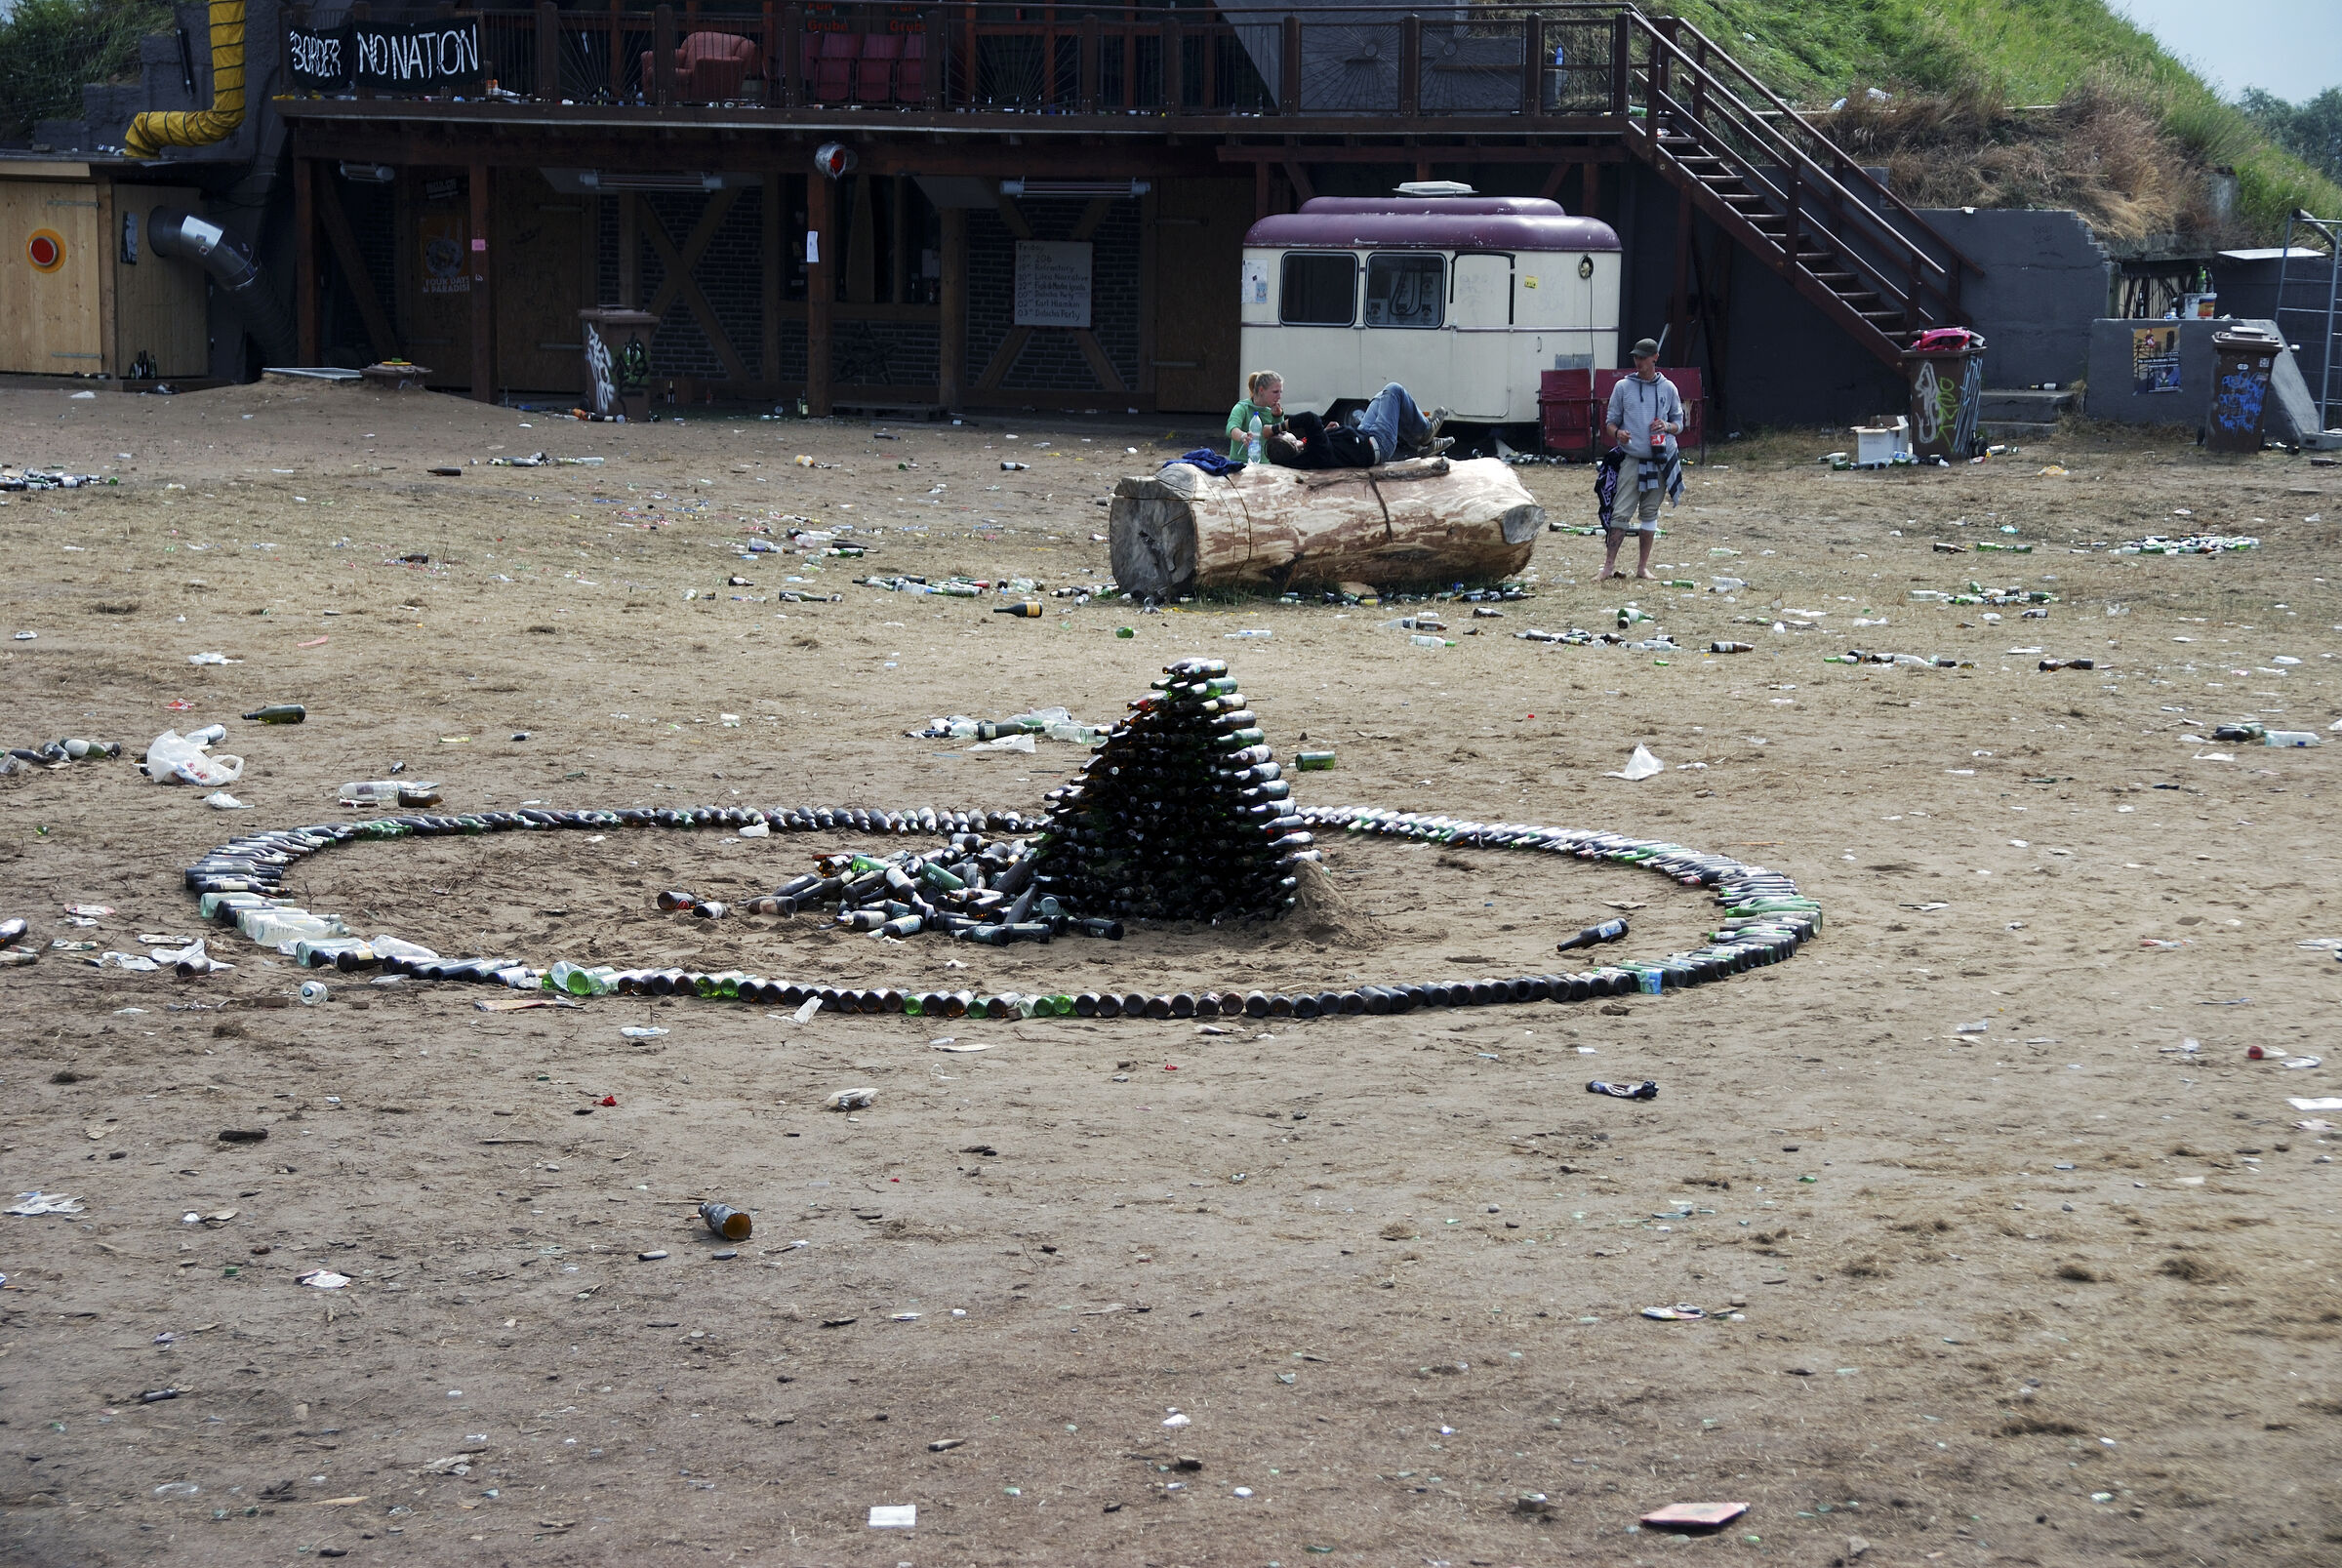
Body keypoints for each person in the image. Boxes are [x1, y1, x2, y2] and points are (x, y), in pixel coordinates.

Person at [1598, 338, 1685, 580]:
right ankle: (1607, 566)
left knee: (1650, 513)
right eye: (1636, 357)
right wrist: (1619, 433)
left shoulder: (1669, 389)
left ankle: (1642, 568)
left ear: (1655, 358)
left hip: (1659, 459)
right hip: (1633, 458)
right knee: (1620, 513)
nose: (1638, 362)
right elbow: (1610, 423)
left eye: (1643, 358)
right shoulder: (1623, 387)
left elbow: (1679, 424)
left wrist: (1666, 426)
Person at [1226, 371, 1286, 462]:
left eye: (1280, 392)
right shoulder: (1242, 407)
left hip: (1266, 466)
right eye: (1275, 392)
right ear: (1261, 390)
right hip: (1241, 464)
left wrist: (1277, 417)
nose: (1279, 396)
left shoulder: (1275, 411)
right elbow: (1231, 428)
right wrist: (1243, 436)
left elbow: (1280, 441)